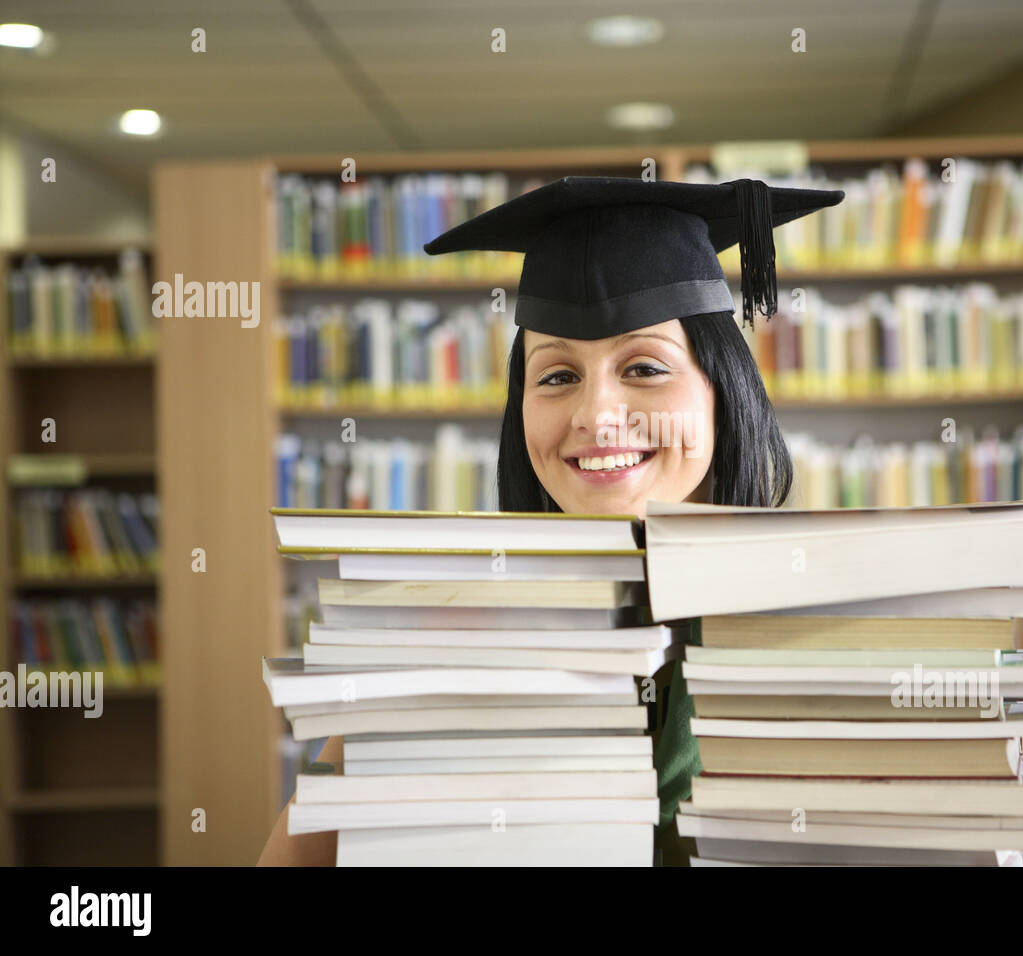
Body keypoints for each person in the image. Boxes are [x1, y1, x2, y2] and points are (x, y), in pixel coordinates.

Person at [257, 175, 843, 865]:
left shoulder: (836, 626)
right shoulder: (444, 633)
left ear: (725, 390)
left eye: (645, 367)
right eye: (557, 376)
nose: (596, 416)